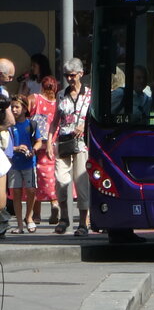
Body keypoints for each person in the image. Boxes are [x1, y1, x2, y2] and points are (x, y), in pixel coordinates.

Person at [53, 57, 92, 236]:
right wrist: (50, 141)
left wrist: (84, 126)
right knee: (61, 180)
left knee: (82, 183)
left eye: (72, 75)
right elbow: (56, 120)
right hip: (63, 141)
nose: (69, 78)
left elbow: (95, 118)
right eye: (66, 75)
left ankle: (83, 223)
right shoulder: (61, 94)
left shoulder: (90, 95)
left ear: (81, 74)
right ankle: (64, 218)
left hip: (82, 144)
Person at [7, 95, 44, 232]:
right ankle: (19, 224)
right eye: (12, 107)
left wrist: (33, 150)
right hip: (14, 164)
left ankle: (28, 217)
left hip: (29, 163)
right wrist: (16, 148)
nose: (14, 110)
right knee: (16, 192)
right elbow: (5, 145)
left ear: (24, 108)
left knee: (31, 190)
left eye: (17, 107)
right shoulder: (9, 126)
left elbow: (39, 141)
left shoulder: (31, 124)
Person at [28, 75, 58, 225]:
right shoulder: (58, 103)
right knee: (52, 177)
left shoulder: (35, 98)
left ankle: (37, 214)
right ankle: (54, 203)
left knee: (36, 179)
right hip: (53, 144)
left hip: (37, 143)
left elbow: (26, 113)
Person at [0, 58, 15, 236]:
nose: (11, 80)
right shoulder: (2, 93)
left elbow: (10, 121)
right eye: (9, 76)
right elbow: (10, 120)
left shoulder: (3, 92)